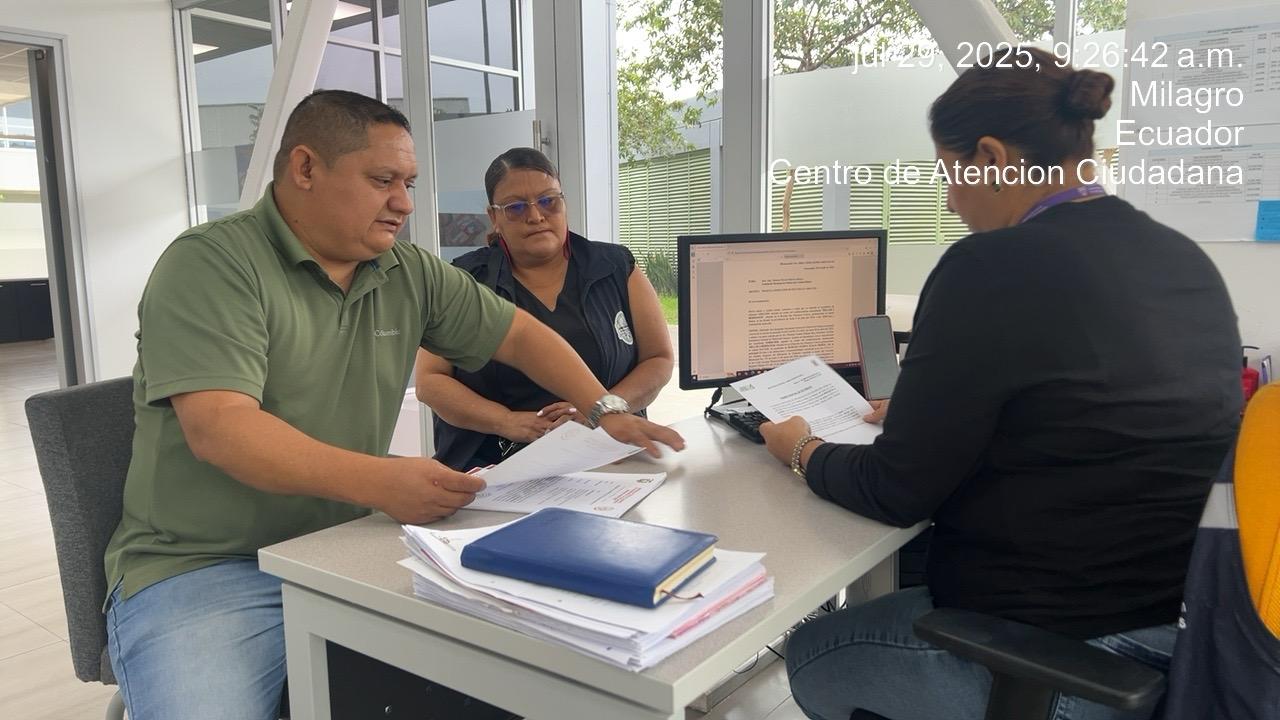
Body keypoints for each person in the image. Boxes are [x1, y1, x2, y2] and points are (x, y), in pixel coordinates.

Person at [102, 90, 684, 720]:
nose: (404, 203)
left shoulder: (404, 270)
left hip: (353, 542)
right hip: (209, 567)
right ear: (305, 168)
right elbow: (221, 428)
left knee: (524, 680)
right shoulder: (212, 264)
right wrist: (382, 481)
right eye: (383, 181)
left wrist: (604, 409)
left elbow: (519, 335)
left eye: (408, 183)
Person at [759, 48, 1241, 720]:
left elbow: (894, 491)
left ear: (991, 157)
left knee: (812, 654)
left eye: (949, 174)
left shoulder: (990, 264)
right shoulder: (1181, 256)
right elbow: (1088, 414)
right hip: (1183, 640)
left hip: (1058, 654)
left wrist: (800, 449)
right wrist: (930, 413)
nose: (950, 201)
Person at [416, 147, 673, 470]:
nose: (536, 216)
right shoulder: (465, 281)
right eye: (516, 207)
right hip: (496, 466)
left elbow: (658, 358)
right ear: (494, 217)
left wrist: (602, 410)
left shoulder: (616, 268)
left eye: (549, 201)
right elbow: (430, 381)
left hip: (609, 459)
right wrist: (506, 421)